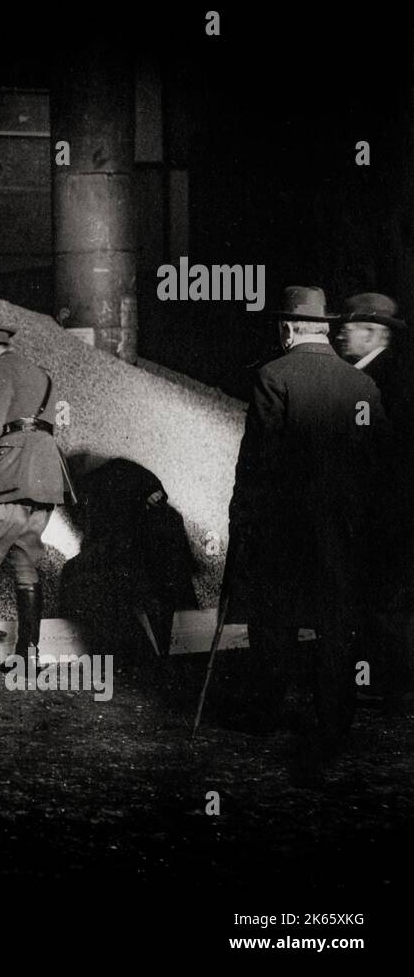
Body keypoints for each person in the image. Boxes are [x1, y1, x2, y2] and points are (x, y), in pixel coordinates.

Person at [227, 286, 386, 777]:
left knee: (274, 619)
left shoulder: (274, 375)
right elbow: (377, 459)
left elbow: (260, 461)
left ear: (288, 329)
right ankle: (334, 721)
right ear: (324, 327)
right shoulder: (360, 385)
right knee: (336, 621)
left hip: (285, 526)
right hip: (343, 526)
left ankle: (266, 713)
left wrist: (242, 517)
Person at [0, 326, 73, 683]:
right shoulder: (40, 373)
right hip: (47, 476)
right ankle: (28, 660)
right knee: (26, 562)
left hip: (12, 474)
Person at [334, 292, 412, 712]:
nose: (342, 332)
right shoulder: (374, 377)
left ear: (375, 333)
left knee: (381, 601)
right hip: (380, 511)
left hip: (384, 514)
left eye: (352, 327)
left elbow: (378, 454)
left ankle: (387, 683)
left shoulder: (382, 384)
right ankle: (376, 677)